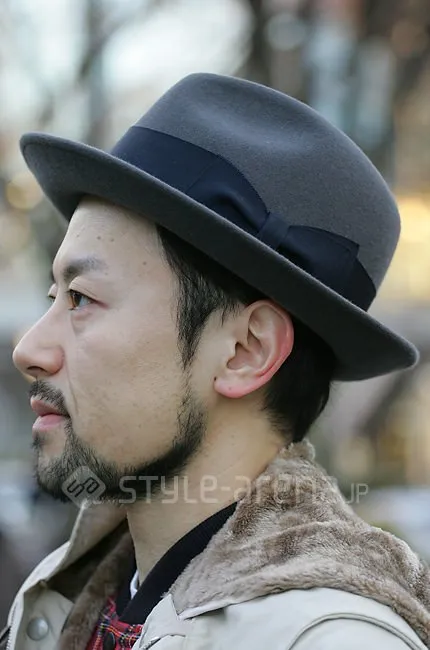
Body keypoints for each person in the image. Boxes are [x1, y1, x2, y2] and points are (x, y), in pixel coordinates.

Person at [4, 73, 430, 650]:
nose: (29, 350)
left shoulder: (331, 640)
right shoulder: (77, 601)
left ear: (245, 351)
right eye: (54, 296)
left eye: (81, 299)